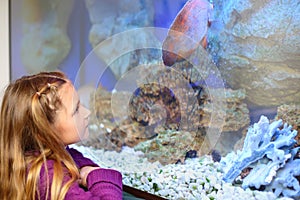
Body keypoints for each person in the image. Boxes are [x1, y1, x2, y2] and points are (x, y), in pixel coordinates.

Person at [0, 71, 123, 200]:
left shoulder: (38, 158)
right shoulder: (50, 178)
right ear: (45, 130)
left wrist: (84, 168)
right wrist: (101, 177)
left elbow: (72, 157)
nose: (87, 112)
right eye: (76, 110)